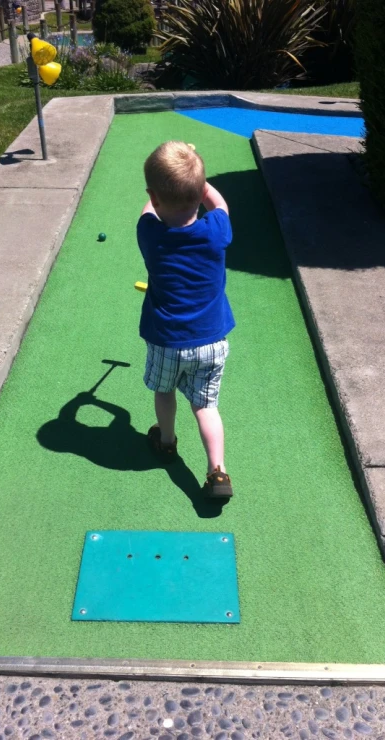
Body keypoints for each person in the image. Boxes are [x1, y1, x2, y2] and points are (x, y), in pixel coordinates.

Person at [137, 141, 235, 498]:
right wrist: (201, 181)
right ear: (199, 194)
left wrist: (157, 191)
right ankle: (217, 472)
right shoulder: (216, 231)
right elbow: (220, 205)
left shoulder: (151, 235)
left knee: (164, 391)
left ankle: (166, 441)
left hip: (168, 341)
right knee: (206, 405)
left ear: (155, 196)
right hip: (212, 341)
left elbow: (149, 210)